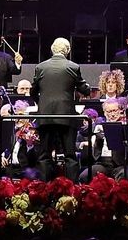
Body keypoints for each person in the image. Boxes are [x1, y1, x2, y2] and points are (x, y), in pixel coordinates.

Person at [32, 37, 90, 180]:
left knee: (44, 155)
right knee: (70, 156)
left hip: (44, 117)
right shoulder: (73, 67)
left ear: (52, 49)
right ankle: (72, 193)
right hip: (66, 117)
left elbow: (33, 91)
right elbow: (85, 90)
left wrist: (41, 104)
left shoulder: (41, 67)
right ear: (68, 51)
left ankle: (44, 190)